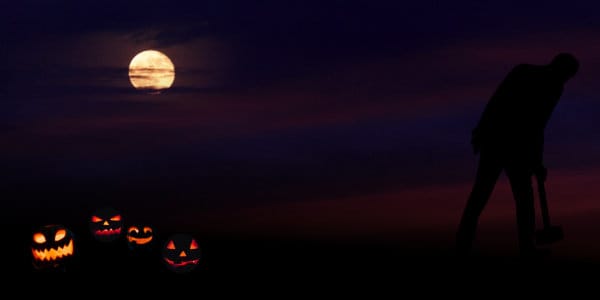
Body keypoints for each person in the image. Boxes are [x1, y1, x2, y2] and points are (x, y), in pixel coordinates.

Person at [456, 52, 579, 258]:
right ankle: (468, 246)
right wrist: (536, 162)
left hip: (509, 146)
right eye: (567, 75)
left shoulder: (536, 77)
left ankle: (470, 246)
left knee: (513, 199)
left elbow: (534, 123)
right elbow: (514, 111)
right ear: (560, 69)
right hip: (501, 142)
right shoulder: (542, 81)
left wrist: (537, 162)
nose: (566, 80)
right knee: (495, 197)